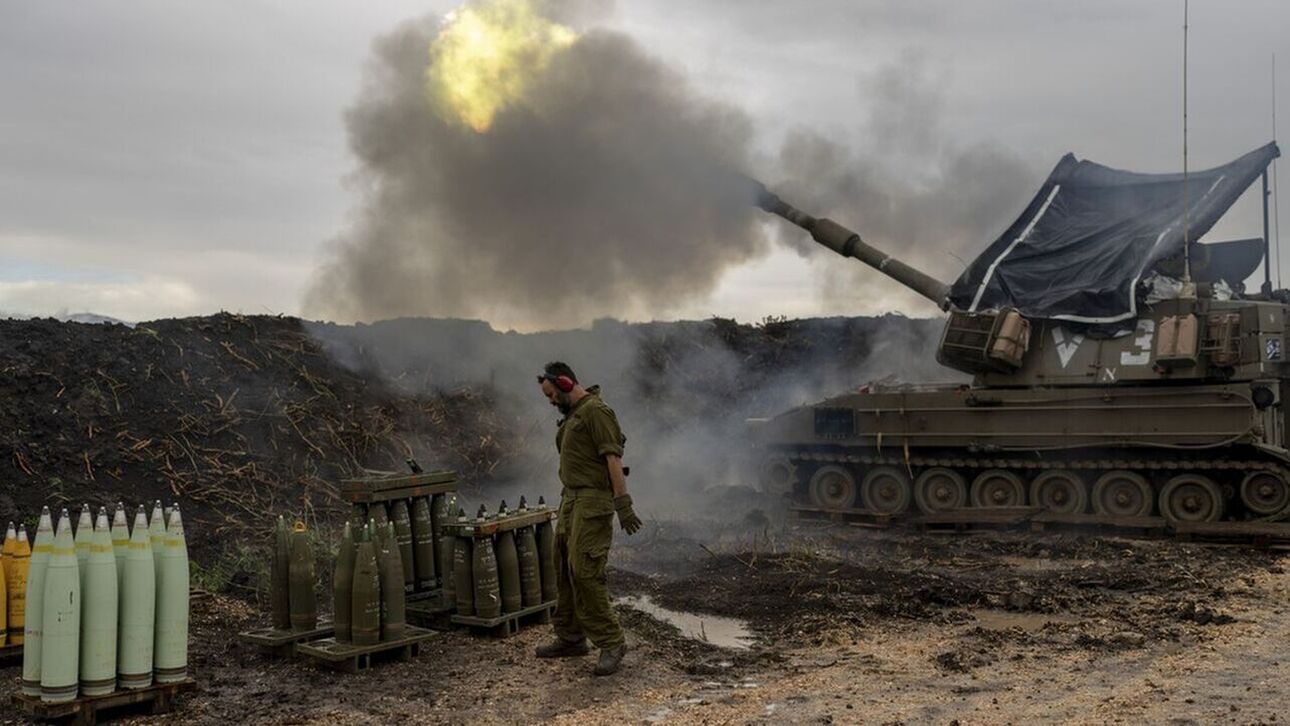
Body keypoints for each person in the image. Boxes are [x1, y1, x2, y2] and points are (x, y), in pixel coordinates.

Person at [533, 361, 642, 676]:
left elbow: (613, 459)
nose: (551, 402)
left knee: (585, 572)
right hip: (571, 500)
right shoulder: (574, 416)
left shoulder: (596, 412)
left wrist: (624, 505)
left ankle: (611, 641)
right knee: (564, 569)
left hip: (593, 501)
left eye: (552, 394)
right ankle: (570, 638)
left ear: (566, 384)